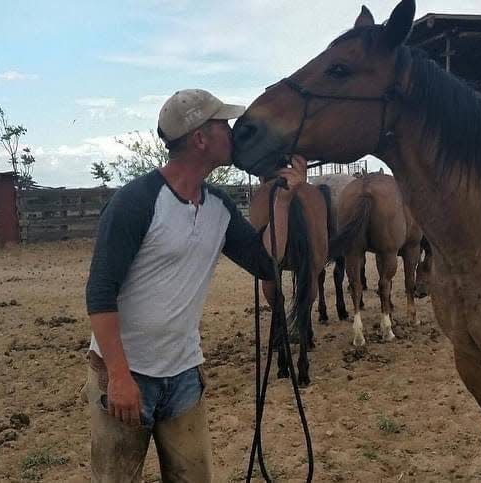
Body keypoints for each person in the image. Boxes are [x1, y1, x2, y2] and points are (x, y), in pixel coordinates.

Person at [82, 88, 308, 482]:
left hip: (184, 373)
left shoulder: (218, 207)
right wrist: (118, 376)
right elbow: (100, 293)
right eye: (224, 125)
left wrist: (284, 203)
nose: (233, 133)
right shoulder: (136, 202)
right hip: (125, 372)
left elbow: (266, 264)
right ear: (201, 138)